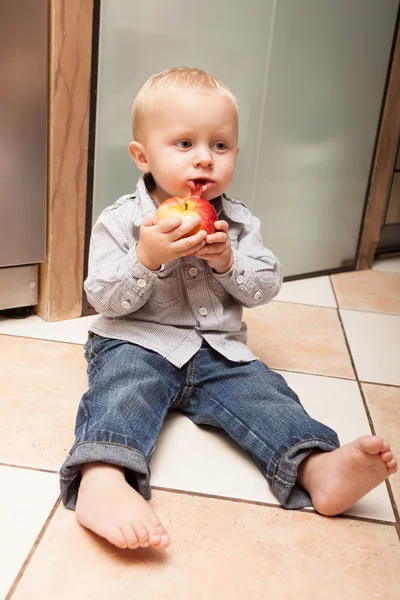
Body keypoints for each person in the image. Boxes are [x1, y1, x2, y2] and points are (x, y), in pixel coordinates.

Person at [60, 67, 398, 551]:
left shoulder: (238, 224)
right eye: (184, 144)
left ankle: (314, 466)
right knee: (123, 390)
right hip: (138, 341)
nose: (204, 159)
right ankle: (104, 476)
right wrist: (146, 257)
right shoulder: (122, 222)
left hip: (219, 351)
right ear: (143, 156)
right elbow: (103, 298)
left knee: (266, 395)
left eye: (220, 146)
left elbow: (265, 288)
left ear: (236, 154)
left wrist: (227, 261)